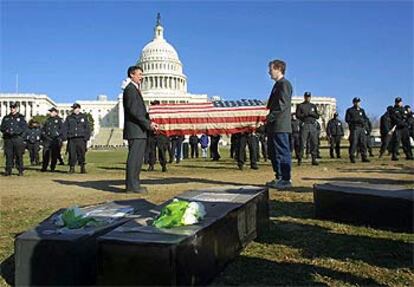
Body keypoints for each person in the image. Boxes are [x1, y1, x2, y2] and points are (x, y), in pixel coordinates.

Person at [122, 65, 158, 193]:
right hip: (135, 130)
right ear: (132, 74)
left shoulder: (134, 89)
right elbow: (134, 111)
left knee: (138, 160)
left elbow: (138, 111)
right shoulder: (130, 89)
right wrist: (147, 124)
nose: (141, 77)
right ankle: (132, 186)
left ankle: (135, 184)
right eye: (139, 74)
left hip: (139, 130)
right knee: (134, 159)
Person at [265, 59, 293, 189]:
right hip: (274, 125)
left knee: (282, 151)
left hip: (280, 125)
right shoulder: (277, 85)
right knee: (274, 152)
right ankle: (279, 176)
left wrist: (269, 117)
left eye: (271, 69)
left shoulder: (284, 84)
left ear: (278, 69)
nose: (269, 72)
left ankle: (286, 178)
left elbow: (282, 105)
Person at [62, 103, 91, 173]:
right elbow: (65, 128)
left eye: (76, 108)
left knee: (81, 153)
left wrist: (87, 137)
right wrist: (65, 137)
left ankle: (82, 167)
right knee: (72, 154)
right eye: (74, 108)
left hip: (81, 138)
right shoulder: (69, 118)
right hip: (72, 138)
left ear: (79, 108)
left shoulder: (84, 117)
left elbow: (87, 128)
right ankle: (72, 168)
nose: (75, 110)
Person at [1, 102, 28, 176]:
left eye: (14, 107)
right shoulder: (6, 118)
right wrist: (6, 131)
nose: (12, 109)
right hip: (8, 139)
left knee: (19, 155)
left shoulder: (21, 118)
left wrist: (21, 137)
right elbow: (2, 127)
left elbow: (24, 128)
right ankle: (8, 170)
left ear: (17, 108)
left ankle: (20, 170)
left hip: (17, 139)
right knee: (9, 155)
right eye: (11, 107)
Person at [296, 92, 320, 166]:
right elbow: (297, 115)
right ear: (304, 97)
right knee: (302, 143)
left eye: (309, 97)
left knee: (314, 143)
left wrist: (312, 114)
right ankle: (300, 158)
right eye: (306, 97)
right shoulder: (300, 105)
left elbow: (317, 116)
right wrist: (305, 114)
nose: (308, 98)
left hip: (312, 125)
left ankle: (314, 159)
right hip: (305, 125)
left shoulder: (313, 106)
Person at [345, 97, 370, 163]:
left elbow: (365, 118)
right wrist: (356, 120)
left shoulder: (362, 110)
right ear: (353, 102)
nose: (357, 103)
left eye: (358, 102)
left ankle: (364, 156)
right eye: (356, 102)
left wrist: (364, 124)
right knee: (354, 143)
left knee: (363, 143)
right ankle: (352, 156)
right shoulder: (350, 110)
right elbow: (347, 119)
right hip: (354, 128)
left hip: (361, 128)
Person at [41, 107, 64, 172]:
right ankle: (44, 167)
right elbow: (43, 129)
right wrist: (44, 136)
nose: (50, 113)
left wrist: (59, 137)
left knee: (54, 155)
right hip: (47, 139)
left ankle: (52, 168)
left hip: (55, 139)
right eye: (50, 112)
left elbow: (62, 129)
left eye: (52, 112)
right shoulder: (47, 120)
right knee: (45, 154)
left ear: (56, 112)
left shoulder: (59, 120)